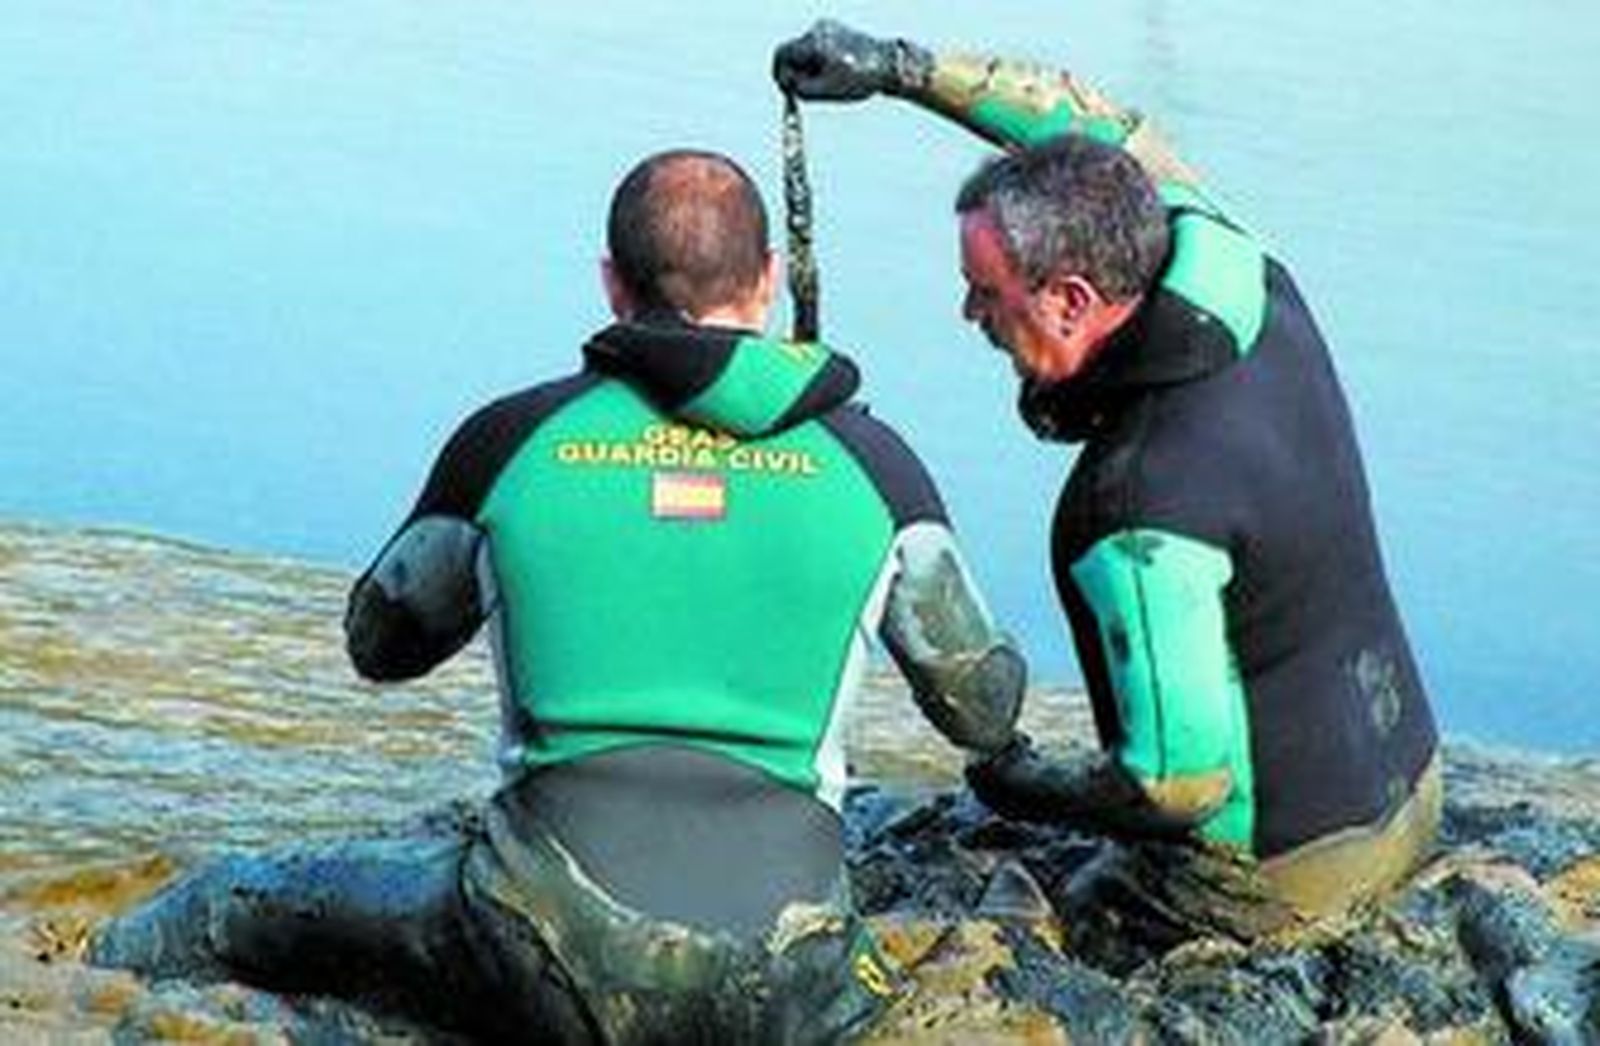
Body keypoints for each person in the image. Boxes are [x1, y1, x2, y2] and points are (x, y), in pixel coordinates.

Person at [90, 148, 1026, 1042]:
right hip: (793, 978)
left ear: (612, 282)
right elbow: (984, 710)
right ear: (771, 277)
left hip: (534, 950)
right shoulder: (878, 468)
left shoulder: (511, 442)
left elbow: (379, 647)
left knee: (221, 905)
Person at [773, 22, 1440, 958]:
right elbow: (1095, 124)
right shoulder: (1239, 268)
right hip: (1412, 784)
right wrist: (899, 70)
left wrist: (1025, 780)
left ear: (1072, 300)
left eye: (986, 293)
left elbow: (1178, 785)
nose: (970, 314)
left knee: (980, 943)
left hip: (1291, 878)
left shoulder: (1137, 511)